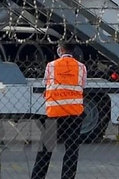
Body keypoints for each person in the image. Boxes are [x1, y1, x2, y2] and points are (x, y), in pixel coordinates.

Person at [30, 41, 87, 179]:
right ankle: (67, 177)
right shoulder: (81, 67)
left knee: (45, 149)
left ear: (60, 49)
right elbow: (82, 85)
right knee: (71, 150)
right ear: (73, 50)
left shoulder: (51, 65)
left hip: (54, 113)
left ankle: (38, 176)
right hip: (74, 113)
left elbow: (46, 83)